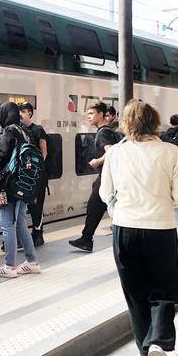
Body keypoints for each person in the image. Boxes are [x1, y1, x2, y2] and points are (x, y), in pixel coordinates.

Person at [99, 100, 178, 356]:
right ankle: (158, 342)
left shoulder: (116, 153)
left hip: (125, 229)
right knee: (164, 291)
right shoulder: (170, 151)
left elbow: (105, 193)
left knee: (135, 294)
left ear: (125, 123)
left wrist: (120, 208)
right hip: (161, 229)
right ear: (156, 122)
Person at [0, 102, 41, 278]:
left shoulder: (8, 131)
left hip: (7, 184)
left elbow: (2, 156)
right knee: (20, 222)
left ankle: (9, 266)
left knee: (7, 225)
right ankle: (32, 262)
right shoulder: (25, 130)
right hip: (24, 184)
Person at [69, 103, 121, 252]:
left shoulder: (103, 133)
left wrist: (98, 161)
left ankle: (87, 239)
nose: (88, 116)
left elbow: (110, 151)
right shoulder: (109, 131)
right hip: (107, 176)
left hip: (106, 177)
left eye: (91, 113)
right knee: (96, 208)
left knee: (94, 206)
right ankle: (86, 239)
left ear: (101, 114)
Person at [19, 101, 48, 246]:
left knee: (37, 206)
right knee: (25, 205)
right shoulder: (18, 129)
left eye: (23, 111)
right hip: (24, 175)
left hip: (38, 176)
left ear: (29, 113)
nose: (20, 114)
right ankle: (24, 235)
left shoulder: (38, 129)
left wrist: (38, 170)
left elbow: (44, 151)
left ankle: (38, 233)